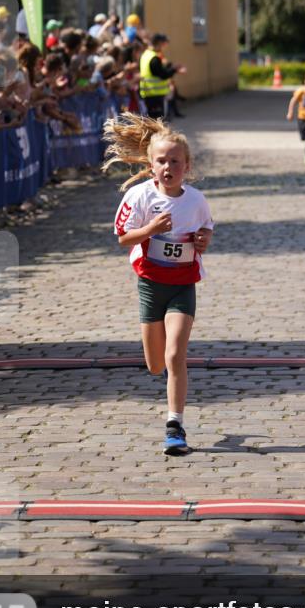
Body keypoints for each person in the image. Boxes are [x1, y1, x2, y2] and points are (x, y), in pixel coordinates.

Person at [104, 113, 213, 456]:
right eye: (161, 161)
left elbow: (206, 228)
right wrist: (150, 230)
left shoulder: (196, 200)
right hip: (151, 284)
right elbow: (122, 238)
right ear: (151, 166)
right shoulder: (138, 197)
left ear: (187, 165)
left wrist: (202, 240)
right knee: (155, 365)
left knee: (175, 353)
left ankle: (175, 425)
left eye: (175, 162)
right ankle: (168, 390)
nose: (168, 167)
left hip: (183, 284)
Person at [139, 33, 186, 119]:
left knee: (151, 121)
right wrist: (175, 70)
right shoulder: (154, 58)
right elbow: (162, 75)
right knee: (159, 122)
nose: (163, 47)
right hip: (156, 94)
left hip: (148, 93)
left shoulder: (145, 54)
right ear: (159, 43)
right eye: (163, 44)